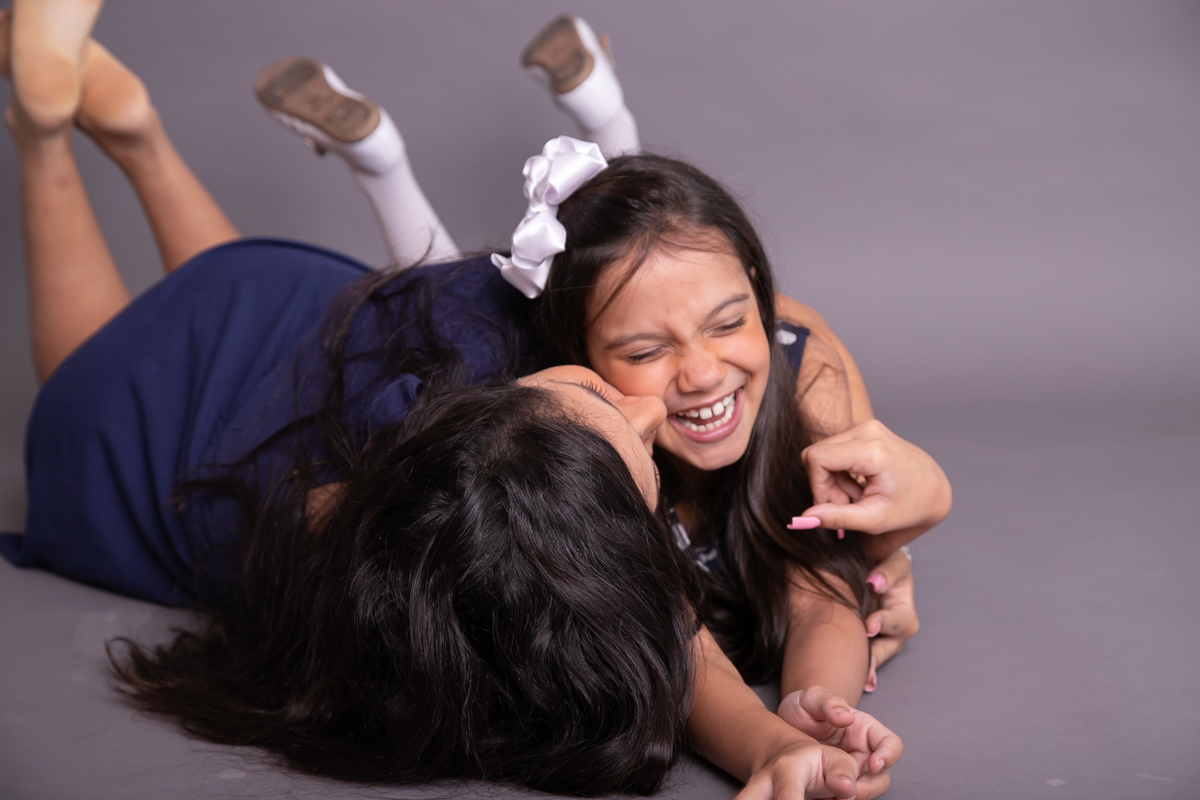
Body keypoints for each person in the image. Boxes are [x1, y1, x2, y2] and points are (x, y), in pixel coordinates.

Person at [0, 4, 904, 798]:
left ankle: (124, 133)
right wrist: (780, 734)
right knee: (99, 363)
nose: (655, 404)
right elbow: (691, 641)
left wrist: (800, 719)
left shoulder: (514, 454)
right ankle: (56, 135)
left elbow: (793, 571)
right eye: (625, 368)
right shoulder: (499, 441)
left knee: (190, 326)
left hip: (272, 343)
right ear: (554, 354)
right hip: (211, 414)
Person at [254, 12, 950, 701]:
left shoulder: (788, 365)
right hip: (480, 355)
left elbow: (826, 579)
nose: (705, 370)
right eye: (644, 352)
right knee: (445, 308)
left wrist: (898, 537)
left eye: (734, 320)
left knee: (647, 259)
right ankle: (441, 148)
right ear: (578, 359)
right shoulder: (555, 418)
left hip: (640, 292)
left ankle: (426, 149)